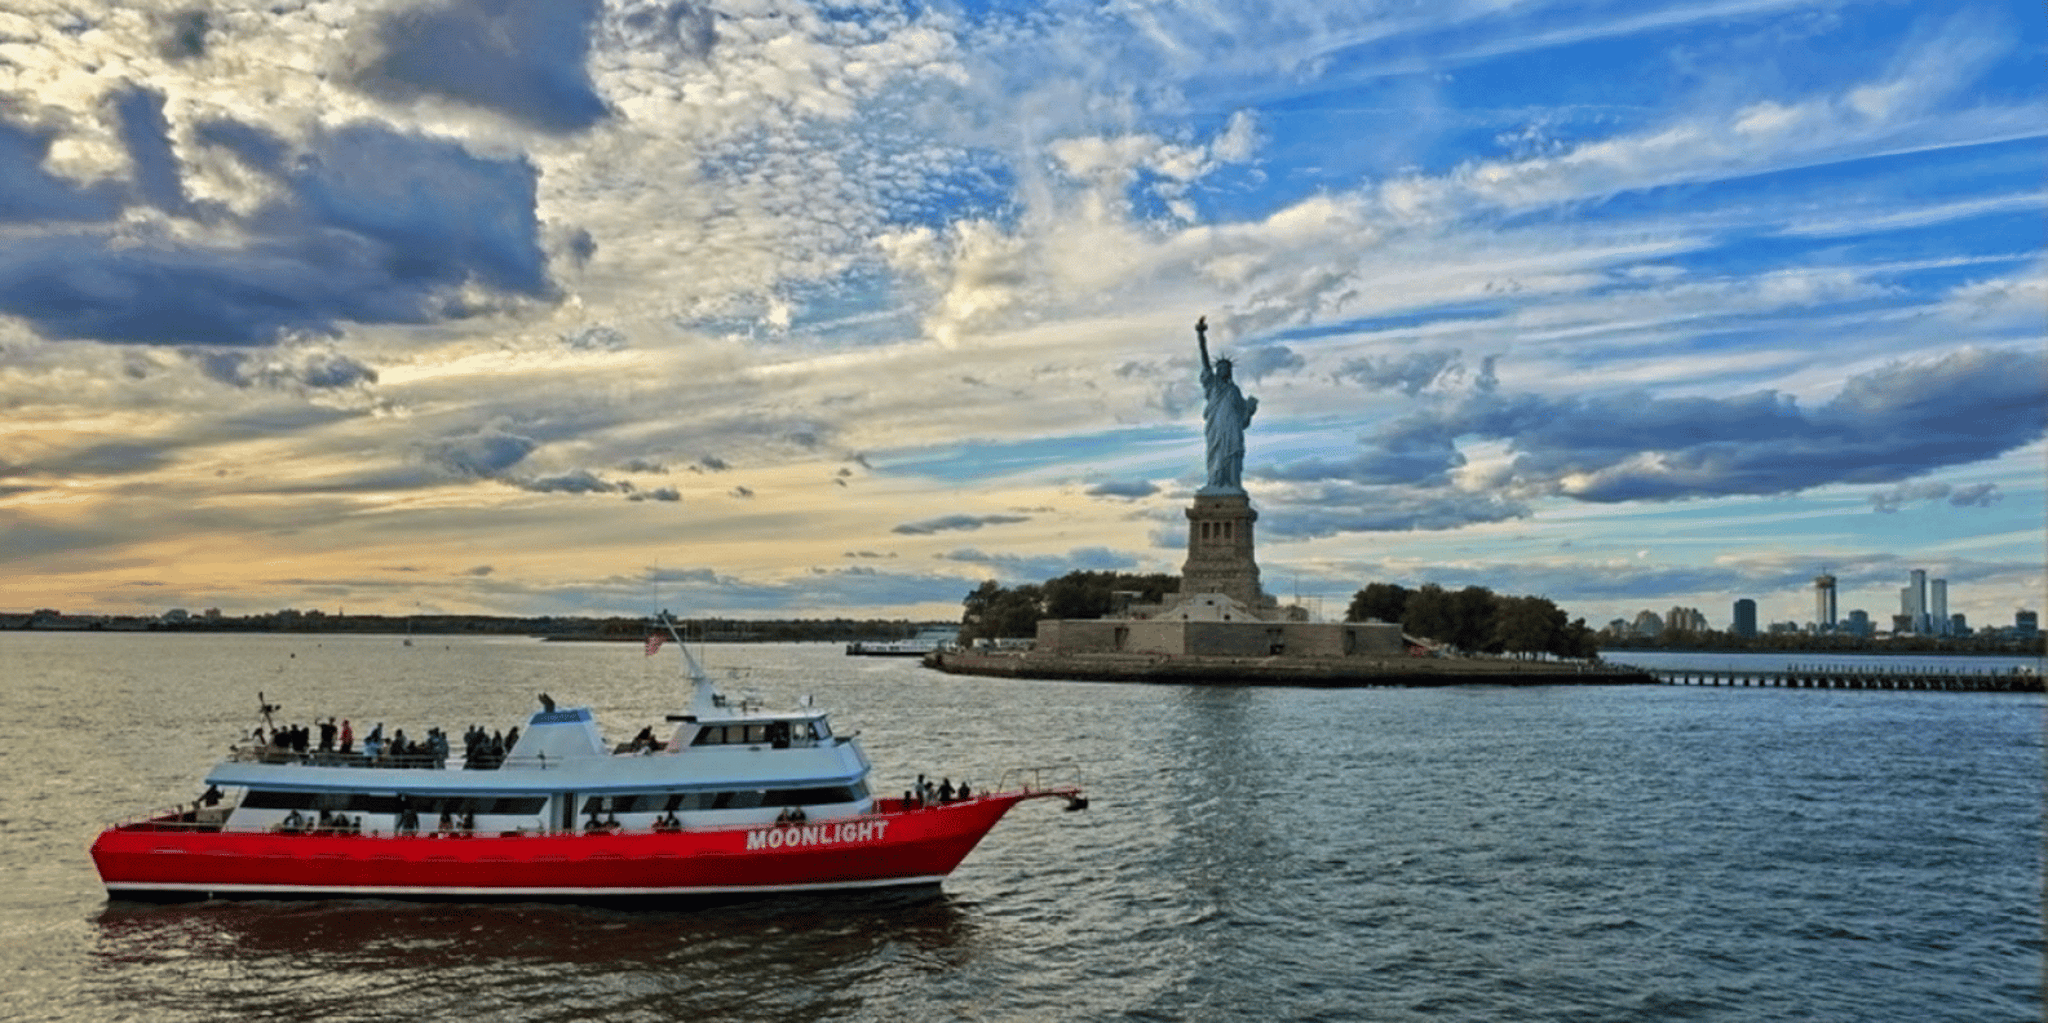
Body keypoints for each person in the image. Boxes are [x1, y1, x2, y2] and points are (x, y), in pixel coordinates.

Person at [1194, 316, 1257, 493]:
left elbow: (1243, 418)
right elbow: (1204, 359)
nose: (1223, 370)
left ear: (1229, 372)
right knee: (1216, 454)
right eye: (1220, 367)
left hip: (1232, 428)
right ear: (1217, 370)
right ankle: (1215, 483)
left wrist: (1250, 410)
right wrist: (1201, 335)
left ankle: (1232, 485)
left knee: (1233, 453)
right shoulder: (1212, 385)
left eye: (1226, 368)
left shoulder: (1234, 390)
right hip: (1216, 427)